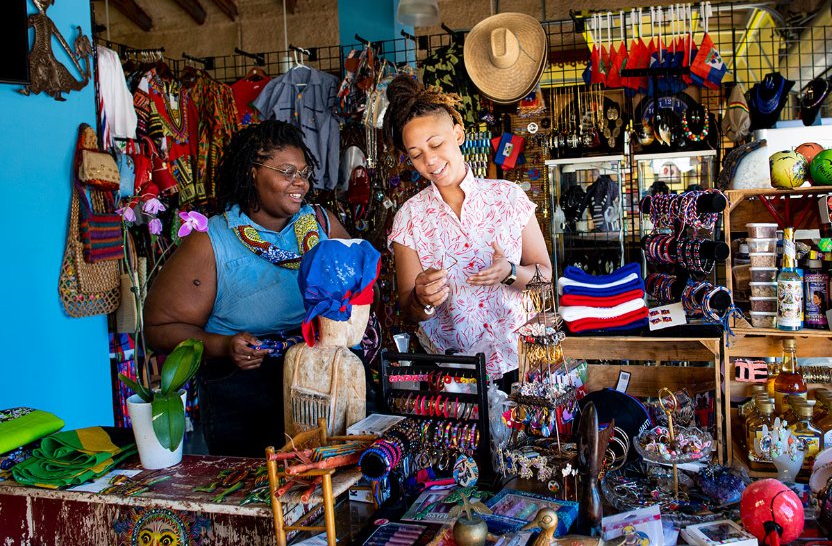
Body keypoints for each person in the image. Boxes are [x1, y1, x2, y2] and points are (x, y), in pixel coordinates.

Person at [144, 120, 349, 457]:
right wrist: (224, 346)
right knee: (259, 494)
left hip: (323, 379)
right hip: (244, 390)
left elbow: (365, 293)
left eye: (304, 172)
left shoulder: (322, 225)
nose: (300, 183)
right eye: (286, 171)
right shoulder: (212, 239)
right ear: (253, 172)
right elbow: (158, 328)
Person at [385, 75, 552, 385]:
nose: (430, 161)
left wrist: (510, 272)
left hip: (519, 361)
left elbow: (544, 279)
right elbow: (410, 311)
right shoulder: (409, 217)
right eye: (416, 154)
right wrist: (423, 298)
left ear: (458, 134)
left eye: (436, 144)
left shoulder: (508, 197)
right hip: (452, 371)